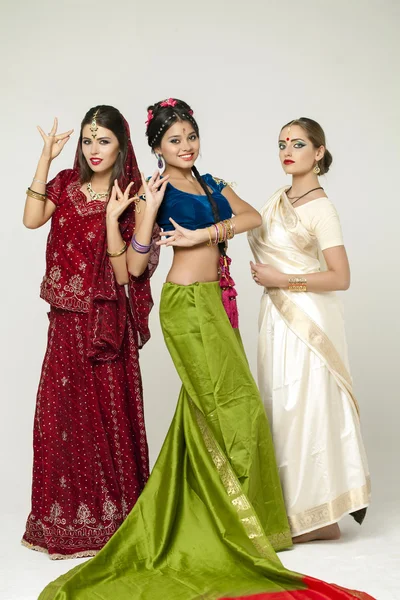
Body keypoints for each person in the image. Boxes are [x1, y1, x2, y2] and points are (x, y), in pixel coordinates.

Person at [39, 102, 374, 600]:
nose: (185, 146)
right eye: (173, 140)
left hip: (219, 303)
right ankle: (230, 519)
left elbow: (252, 216)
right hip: (186, 306)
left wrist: (207, 232)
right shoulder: (156, 189)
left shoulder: (211, 182)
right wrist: (145, 215)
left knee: (219, 410)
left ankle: (234, 514)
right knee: (227, 408)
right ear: (156, 148)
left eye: (190, 136)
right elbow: (132, 268)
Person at [22, 105, 159, 559]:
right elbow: (30, 218)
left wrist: (110, 219)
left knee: (105, 418)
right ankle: (62, 522)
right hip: (63, 322)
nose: (93, 149)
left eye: (103, 140)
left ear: (121, 144)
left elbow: (128, 275)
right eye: (87, 140)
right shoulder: (64, 182)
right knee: (60, 416)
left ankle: (112, 520)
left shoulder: (134, 197)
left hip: (103, 325)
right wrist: (45, 157)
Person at [248, 117, 370, 543]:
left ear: (318, 152)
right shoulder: (275, 200)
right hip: (276, 318)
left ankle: (318, 517)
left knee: (307, 407)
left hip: (309, 318)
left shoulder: (322, 208)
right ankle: (294, 511)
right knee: (281, 407)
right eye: (282, 142)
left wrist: (283, 281)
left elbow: (340, 277)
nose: (287, 150)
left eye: (298, 143)